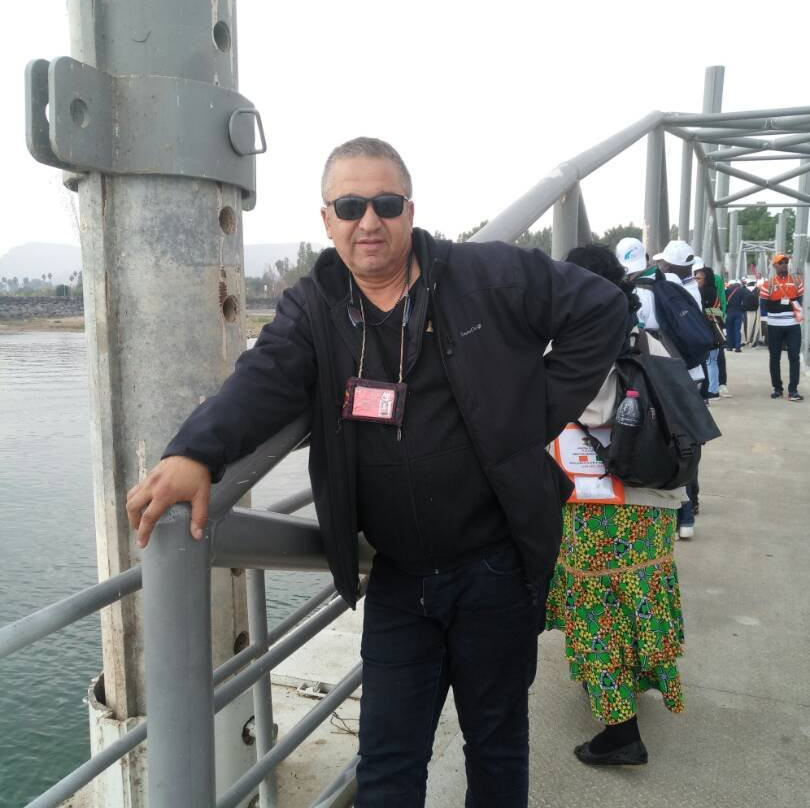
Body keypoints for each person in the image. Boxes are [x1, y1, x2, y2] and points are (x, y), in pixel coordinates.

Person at [125, 137, 627, 807]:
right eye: (350, 206)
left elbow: (602, 307)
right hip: (399, 579)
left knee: (496, 744)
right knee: (388, 764)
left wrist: (530, 413)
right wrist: (194, 452)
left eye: (386, 204)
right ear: (327, 220)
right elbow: (263, 378)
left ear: (410, 211)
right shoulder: (314, 307)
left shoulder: (484, 273)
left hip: (495, 566)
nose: (369, 221)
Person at [546, 244, 686, 767]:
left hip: (601, 506)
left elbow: (578, 408)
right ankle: (628, 681)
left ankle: (620, 730)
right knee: (639, 596)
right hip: (655, 498)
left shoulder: (581, 343)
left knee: (596, 609)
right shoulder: (647, 336)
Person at [760, 253, 804, 402]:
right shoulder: (768, 284)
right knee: (774, 357)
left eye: (786, 262)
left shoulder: (797, 282)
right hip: (774, 326)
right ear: (775, 266)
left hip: (793, 325)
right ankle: (777, 388)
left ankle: (793, 390)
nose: (784, 264)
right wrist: (764, 326)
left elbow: (800, 302)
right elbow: (763, 306)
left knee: (794, 357)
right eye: (781, 262)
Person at [694, 265, 723, 401]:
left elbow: (714, 312)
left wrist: (704, 313)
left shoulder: (705, 292)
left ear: (706, 279)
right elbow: (719, 312)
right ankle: (714, 389)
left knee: (710, 362)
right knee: (712, 361)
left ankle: (713, 390)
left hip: (710, 331)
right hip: (713, 330)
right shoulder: (713, 291)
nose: (696, 280)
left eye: (699, 278)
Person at [725, 278, 757, 352]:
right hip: (739, 312)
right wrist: (743, 308)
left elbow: (723, 300)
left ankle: (729, 347)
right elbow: (749, 297)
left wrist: (726, 310)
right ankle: (737, 347)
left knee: (729, 330)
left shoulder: (727, 290)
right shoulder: (742, 290)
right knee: (737, 330)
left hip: (729, 312)